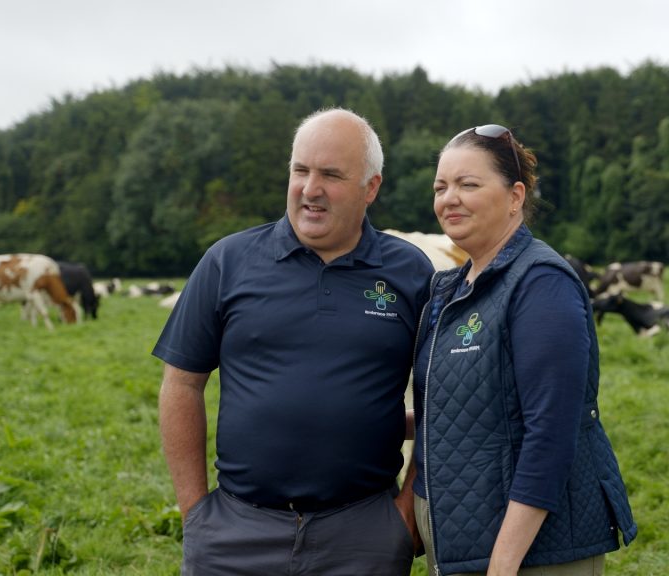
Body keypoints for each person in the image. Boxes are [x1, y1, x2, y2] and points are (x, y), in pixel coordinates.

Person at [154, 108, 433, 575]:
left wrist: (404, 513)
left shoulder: (410, 273)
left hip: (363, 533)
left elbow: (437, 404)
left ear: (371, 187)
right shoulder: (228, 261)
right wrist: (196, 513)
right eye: (300, 170)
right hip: (234, 534)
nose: (310, 189)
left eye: (331, 174)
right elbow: (181, 385)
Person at [411, 124, 638, 575]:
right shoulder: (452, 287)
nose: (448, 198)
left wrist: (504, 562)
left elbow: (552, 433)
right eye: (441, 187)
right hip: (464, 539)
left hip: (531, 552)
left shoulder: (540, 283)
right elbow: (467, 410)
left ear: (515, 196)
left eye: (467, 184)